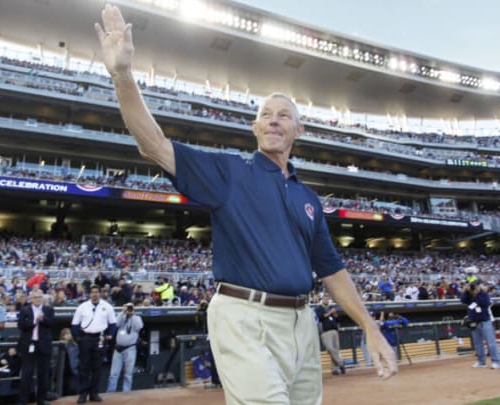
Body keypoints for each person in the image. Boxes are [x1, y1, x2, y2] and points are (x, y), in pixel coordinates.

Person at [94, 6, 397, 404]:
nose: (273, 121)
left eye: (283, 115)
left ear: (297, 130)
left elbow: (332, 270)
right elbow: (154, 144)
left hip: (302, 322)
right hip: (244, 315)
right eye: (265, 115)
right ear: (254, 127)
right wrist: (121, 74)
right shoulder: (230, 173)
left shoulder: (307, 198)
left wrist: (371, 328)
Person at [70, 285, 117, 404]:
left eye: (97, 292)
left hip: (100, 339)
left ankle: (94, 393)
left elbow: (113, 324)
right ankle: (82, 394)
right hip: (86, 338)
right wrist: (77, 338)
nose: (94, 294)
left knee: (97, 368)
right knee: (84, 367)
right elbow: (75, 324)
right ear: (89, 294)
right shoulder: (82, 307)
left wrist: (110, 335)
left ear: (100, 293)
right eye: (92, 292)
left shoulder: (107, 307)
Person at [17, 290, 55, 405]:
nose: (38, 299)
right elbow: (21, 325)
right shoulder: (25, 310)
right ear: (31, 299)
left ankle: (41, 399)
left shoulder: (48, 309)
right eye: (35, 297)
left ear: (42, 298)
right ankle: (23, 400)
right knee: (26, 374)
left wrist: (43, 319)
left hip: (43, 345)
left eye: (39, 297)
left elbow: (52, 323)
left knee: (43, 374)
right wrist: (35, 321)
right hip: (29, 344)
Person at [460, 281, 500, 370]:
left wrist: (478, 292)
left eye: (474, 287)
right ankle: (481, 362)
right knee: (478, 344)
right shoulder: (469, 296)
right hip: (474, 322)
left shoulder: (483, 294)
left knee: (491, 343)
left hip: (485, 321)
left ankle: (495, 362)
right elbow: (462, 300)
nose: (473, 289)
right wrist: (466, 291)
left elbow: (484, 302)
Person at [107, 303, 143, 393]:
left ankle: (126, 393)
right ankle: (110, 393)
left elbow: (139, 327)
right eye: (128, 308)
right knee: (113, 374)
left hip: (130, 349)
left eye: (130, 308)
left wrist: (132, 315)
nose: (129, 310)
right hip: (118, 349)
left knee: (128, 374)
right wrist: (122, 312)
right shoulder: (121, 317)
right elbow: (116, 324)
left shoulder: (137, 318)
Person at [315, 295, 345, 375]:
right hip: (325, 332)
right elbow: (321, 317)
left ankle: (335, 369)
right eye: (325, 298)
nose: (327, 300)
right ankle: (341, 363)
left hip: (334, 330)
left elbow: (338, 320)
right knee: (330, 349)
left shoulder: (331, 307)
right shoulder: (319, 308)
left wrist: (335, 314)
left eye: (328, 299)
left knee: (336, 349)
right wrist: (330, 312)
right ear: (322, 300)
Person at [59, 328, 80, 396]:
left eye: (69, 333)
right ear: (62, 336)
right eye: (66, 334)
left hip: (72, 371)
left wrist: (76, 365)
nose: (69, 335)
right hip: (62, 371)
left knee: (73, 389)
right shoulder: (59, 345)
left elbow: (78, 358)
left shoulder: (75, 346)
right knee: (63, 390)